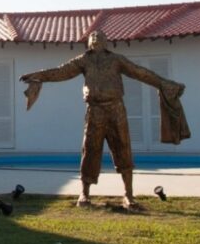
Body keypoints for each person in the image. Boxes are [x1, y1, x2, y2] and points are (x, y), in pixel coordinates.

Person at [20, 30, 185, 208]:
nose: (96, 37)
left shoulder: (116, 59)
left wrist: (163, 83)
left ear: (106, 42)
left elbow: (139, 72)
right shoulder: (84, 60)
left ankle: (129, 195)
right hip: (94, 110)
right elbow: (61, 72)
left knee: (123, 148)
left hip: (116, 109)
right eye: (93, 36)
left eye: (100, 36)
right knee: (90, 149)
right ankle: (84, 194)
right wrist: (38, 75)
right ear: (88, 42)